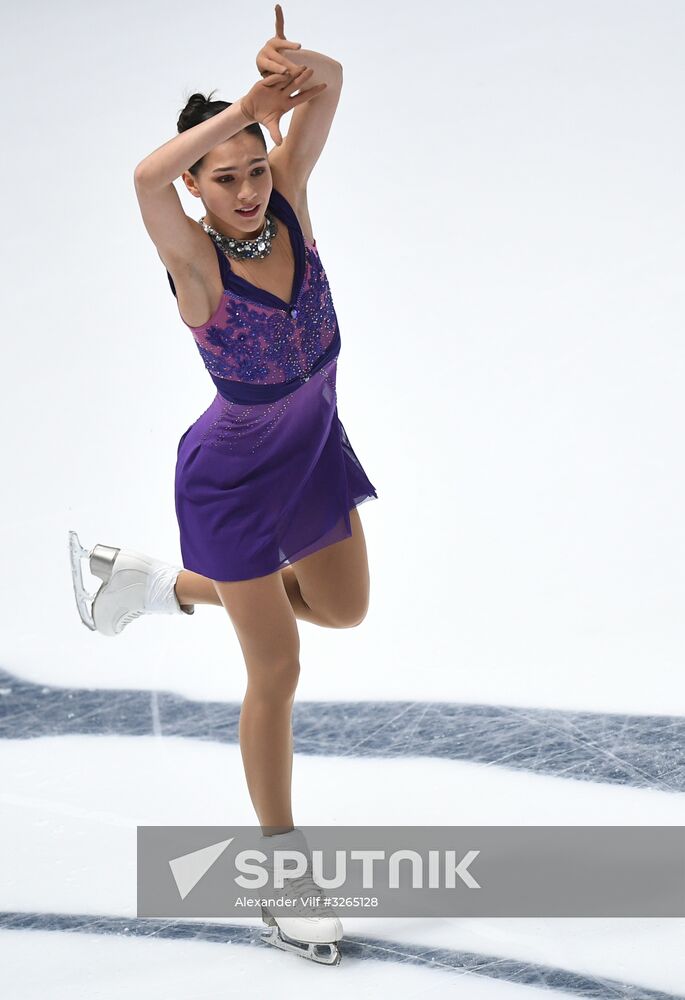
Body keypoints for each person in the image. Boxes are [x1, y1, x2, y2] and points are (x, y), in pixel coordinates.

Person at [68, 8, 378, 966]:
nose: (247, 190)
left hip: (315, 450)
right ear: (198, 192)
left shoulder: (288, 194)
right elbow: (141, 177)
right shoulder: (196, 264)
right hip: (234, 485)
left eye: (254, 167)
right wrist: (244, 108)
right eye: (226, 178)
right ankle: (282, 882)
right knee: (276, 668)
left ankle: (151, 584)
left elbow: (330, 81)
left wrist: (289, 69)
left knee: (344, 611)